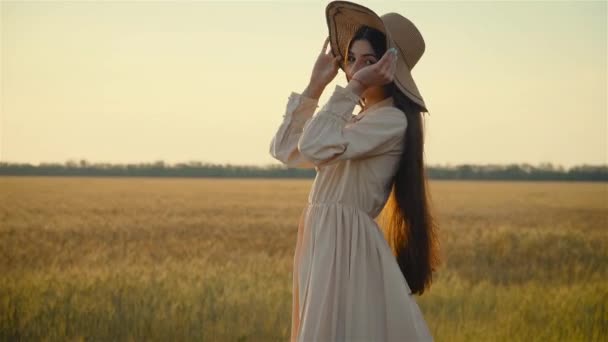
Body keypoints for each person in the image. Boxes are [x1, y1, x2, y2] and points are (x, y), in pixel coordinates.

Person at [269, 1, 440, 341]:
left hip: (344, 244)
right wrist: (314, 86)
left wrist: (353, 88)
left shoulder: (391, 122)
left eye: (368, 61)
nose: (354, 69)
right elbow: (286, 149)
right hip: (323, 238)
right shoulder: (350, 118)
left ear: (391, 68)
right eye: (350, 59)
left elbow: (313, 146)